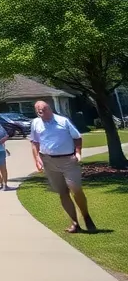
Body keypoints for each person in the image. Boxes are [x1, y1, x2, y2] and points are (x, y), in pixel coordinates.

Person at [29, 100, 95, 234]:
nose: (41, 113)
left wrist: (78, 152)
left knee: (75, 188)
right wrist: (37, 159)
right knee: (63, 192)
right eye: (38, 112)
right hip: (49, 161)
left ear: (49, 108)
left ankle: (86, 215)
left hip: (68, 160)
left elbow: (77, 137)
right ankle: (75, 223)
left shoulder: (63, 121)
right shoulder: (35, 123)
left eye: (43, 110)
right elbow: (34, 142)